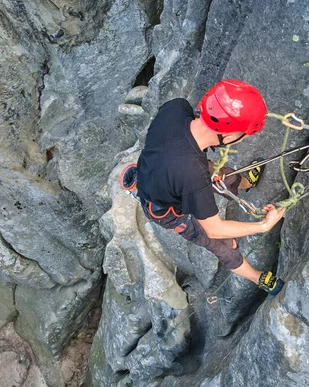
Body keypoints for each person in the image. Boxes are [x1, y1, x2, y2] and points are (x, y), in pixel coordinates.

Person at [121, 80, 286, 295]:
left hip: (165, 169)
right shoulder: (192, 175)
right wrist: (263, 226)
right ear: (227, 137)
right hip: (167, 210)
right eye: (241, 137)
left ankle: (247, 183)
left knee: (220, 174)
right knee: (220, 244)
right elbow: (213, 228)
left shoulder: (176, 108)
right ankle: (258, 279)